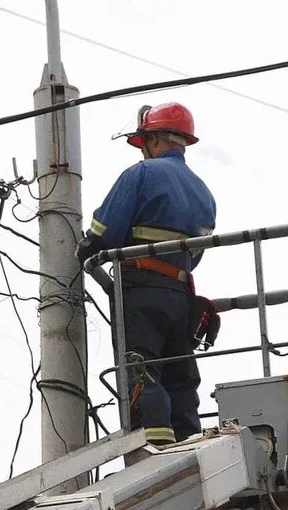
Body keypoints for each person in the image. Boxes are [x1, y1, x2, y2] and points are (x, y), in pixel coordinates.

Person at [77, 102, 216, 446]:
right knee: (180, 377)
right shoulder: (204, 192)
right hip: (181, 293)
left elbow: (104, 231)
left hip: (141, 288)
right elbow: (195, 255)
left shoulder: (141, 175)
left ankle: (152, 448)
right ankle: (189, 443)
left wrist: (85, 249)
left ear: (153, 139)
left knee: (142, 368)